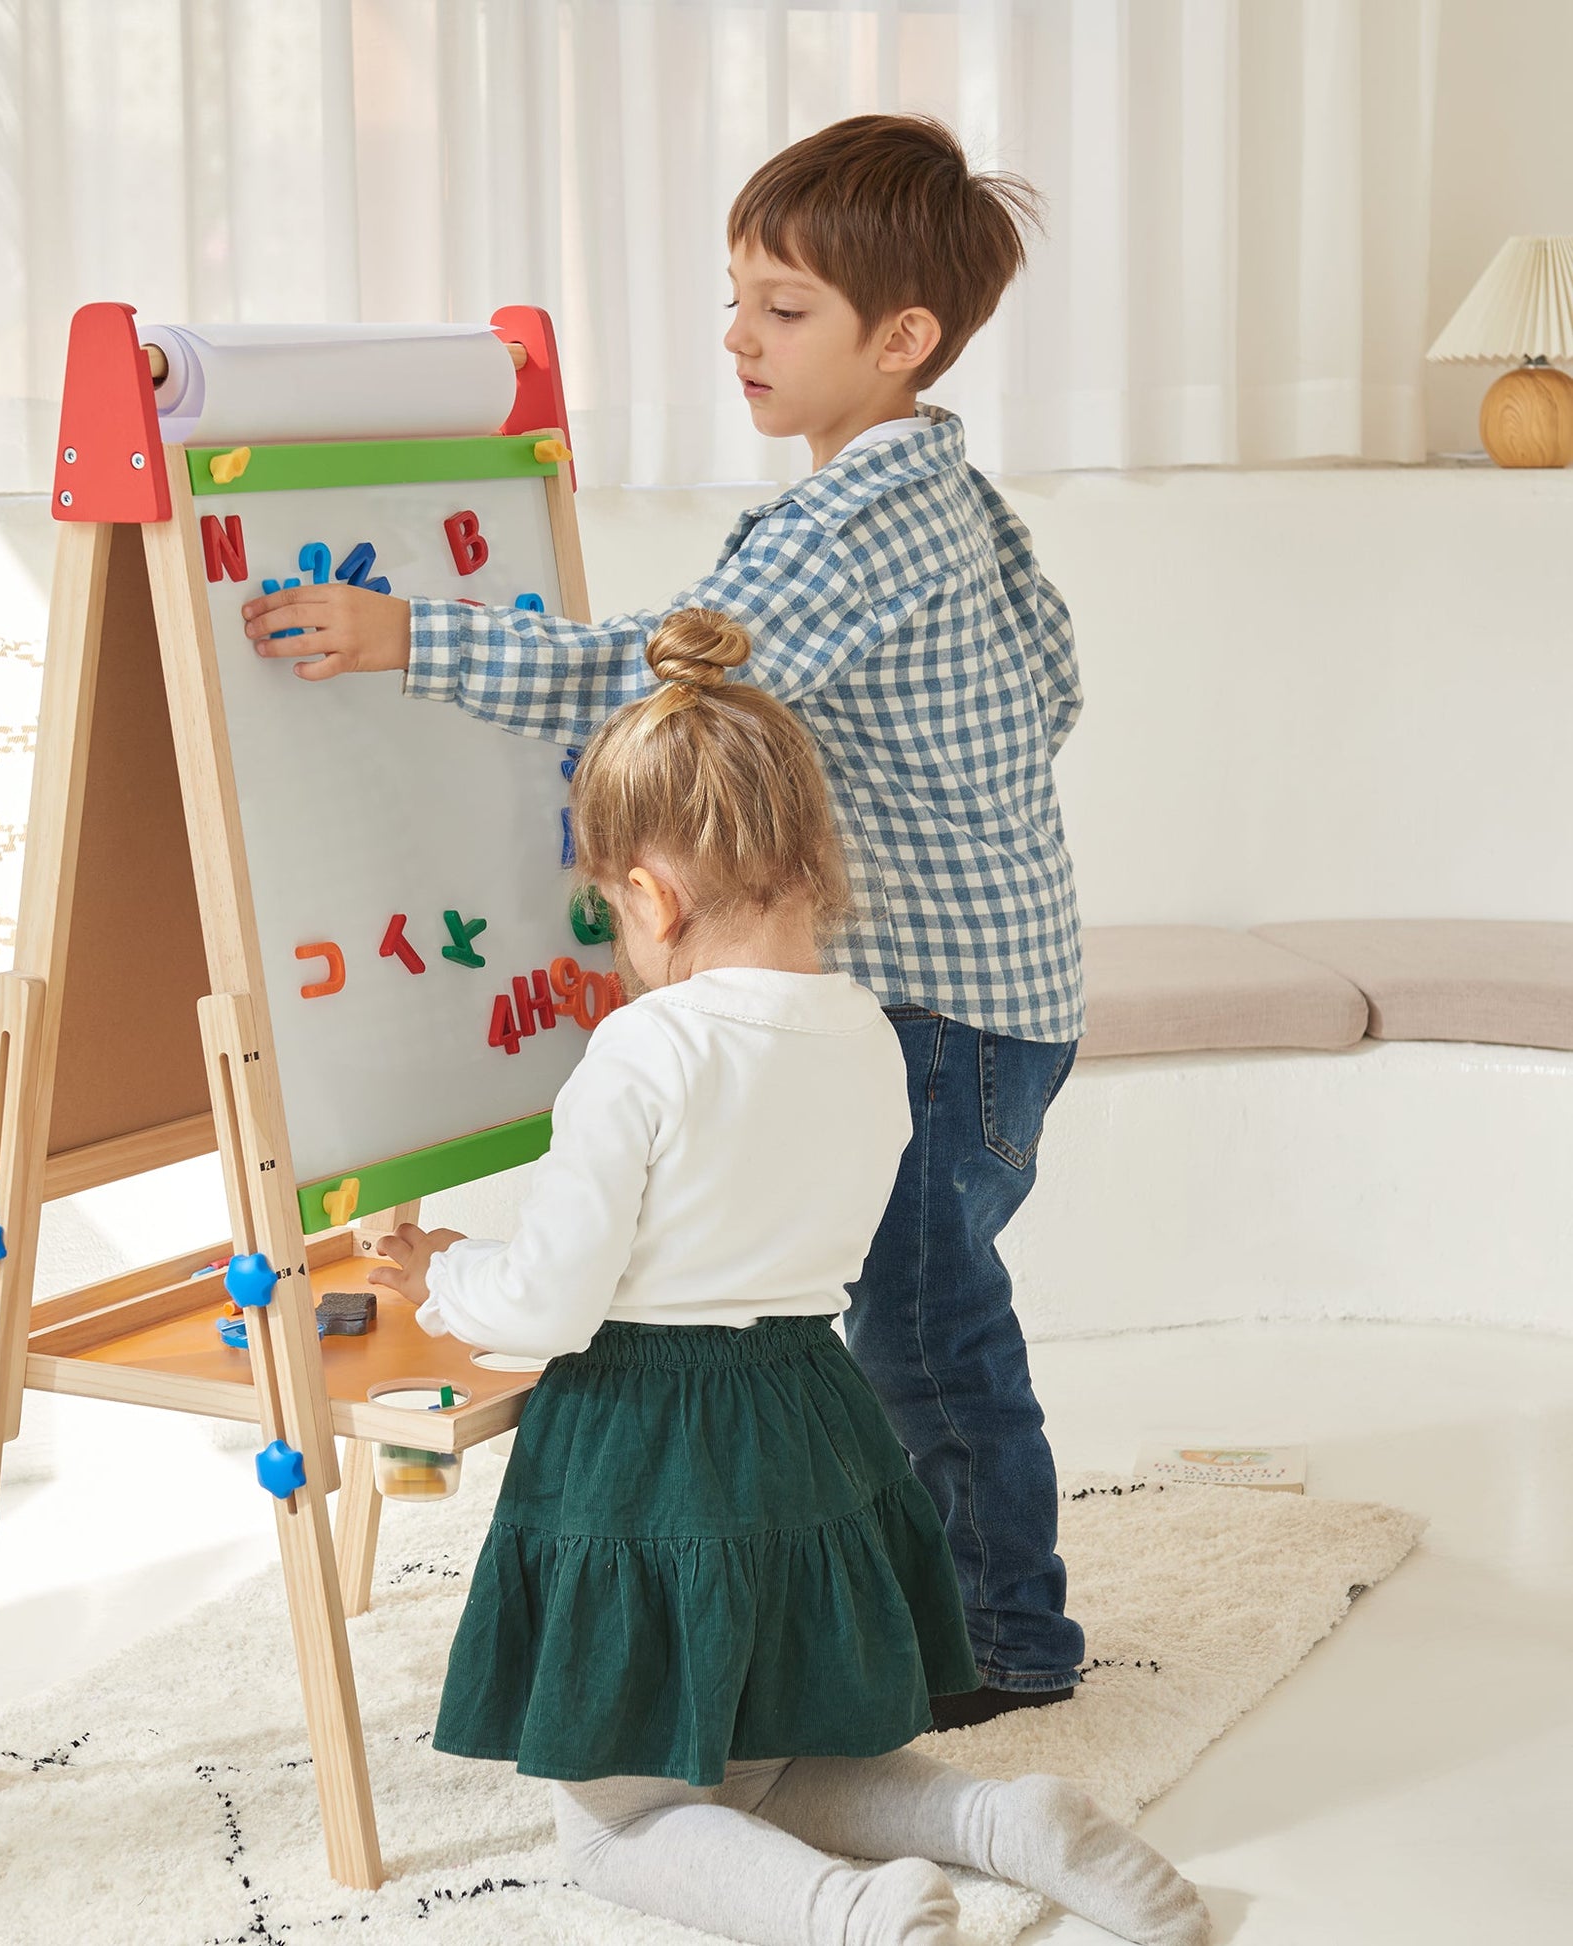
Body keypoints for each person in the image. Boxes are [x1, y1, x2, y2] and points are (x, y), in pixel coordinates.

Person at [244, 114, 1087, 1720]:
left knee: (923, 1329)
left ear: (900, 338)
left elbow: (664, 674)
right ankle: (938, 1603)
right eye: (735, 297)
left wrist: (409, 635)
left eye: (782, 307)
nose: (736, 336)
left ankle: (1003, 1639)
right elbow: (1053, 685)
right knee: (910, 1309)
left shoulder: (860, 522)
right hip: (999, 993)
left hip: (941, 1009)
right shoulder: (947, 491)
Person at [365, 610, 1206, 1946]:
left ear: (649, 897)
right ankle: (1007, 1823)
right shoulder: (867, 1031)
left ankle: (844, 1909)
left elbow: (547, 1306)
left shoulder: (644, 1051)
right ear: (815, 860)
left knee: (617, 1819)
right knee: (766, 1765)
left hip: (654, 1446)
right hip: (810, 1419)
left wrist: (444, 1274)